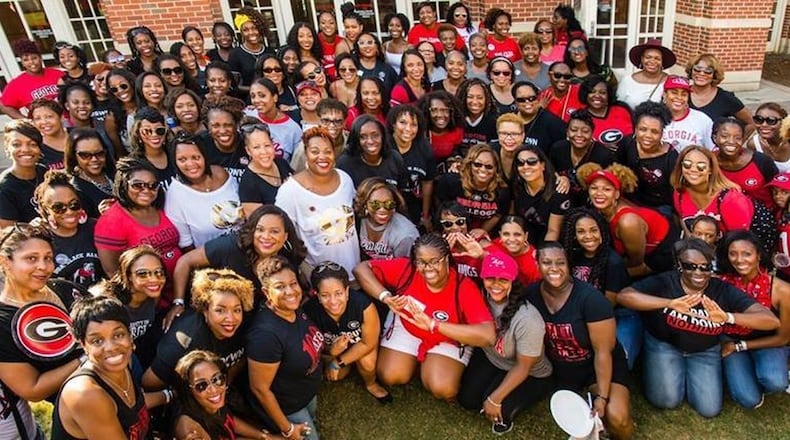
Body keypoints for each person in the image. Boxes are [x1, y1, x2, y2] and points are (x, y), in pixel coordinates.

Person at [618, 238, 780, 418]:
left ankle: (683, 375)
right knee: (666, 400)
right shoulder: (667, 281)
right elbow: (625, 296)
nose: (698, 272)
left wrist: (727, 317)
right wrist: (670, 303)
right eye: (690, 266)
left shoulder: (722, 290)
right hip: (665, 345)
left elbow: (771, 320)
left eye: (705, 267)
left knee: (709, 409)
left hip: (704, 350)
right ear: (679, 265)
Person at [353, 233, 496, 400]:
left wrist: (433, 324)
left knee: (443, 389)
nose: (427, 268)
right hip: (408, 325)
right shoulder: (407, 269)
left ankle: (430, 363)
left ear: (446, 259)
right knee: (389, 375)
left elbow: (488, 335)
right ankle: (416, 361)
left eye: (434, 261)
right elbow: (361, 269)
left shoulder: (463, 286)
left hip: (447, 336)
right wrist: (385, 297)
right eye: (421, 262)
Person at [527, 242, 634, 438]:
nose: (554, 268)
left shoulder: (591, 300)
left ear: (569, 265)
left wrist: (602, 397)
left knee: (617, 418)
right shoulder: (531, 295)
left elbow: (603, 352)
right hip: (561, 370)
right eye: (547, 262)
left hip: (596, 367)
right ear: (537, 265)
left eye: (560, 262)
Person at [0, 223, 84, 439]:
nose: (44, 267)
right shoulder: (2, 321)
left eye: (48, 258)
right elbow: (32, 389)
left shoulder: (63, 289)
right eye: (31, 258)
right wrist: (87, 359)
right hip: (77, 414)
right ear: (4, 261)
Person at [165, 205, 307, 329]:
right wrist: (178, 303)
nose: (266, 236)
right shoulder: (230, 247)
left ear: (285, 236)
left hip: (256, 325)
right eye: (260, 229)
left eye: (274, 231)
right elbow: (185, 261)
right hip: (217, 321)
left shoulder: (288, 257)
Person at [457, 252, 553, 434]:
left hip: (530, 372)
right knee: (467, 400)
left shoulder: (528, 319)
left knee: (499, 411)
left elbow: (523, 367)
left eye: (503, 279)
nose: (496, 285)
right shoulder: (479, 297)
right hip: (493, 357)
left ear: (513, 281)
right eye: (490, 278)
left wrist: (495, 399)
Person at [52, 296, 169, 439]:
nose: (111, 347)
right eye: (97, 341)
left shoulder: (123, 364)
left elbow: (134, 407)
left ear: (130, 335)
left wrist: (170, 395)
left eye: (118, 335)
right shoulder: (85, 393)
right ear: (83, 345)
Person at [246, 256, 323, 440]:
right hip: (288, 405)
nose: (290, 291)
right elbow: (259, 389)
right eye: (280, 287)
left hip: (305, 392)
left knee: (311, 420)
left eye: (293, 283)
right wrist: (288, 429)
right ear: (266, 292)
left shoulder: (292, 308)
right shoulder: (265, 336)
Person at [143, 268, 253, 390]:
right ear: (205, 310)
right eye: (220, 310)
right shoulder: (185, 340)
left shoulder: (246, 323)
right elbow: (148, 383)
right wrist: (178, 394)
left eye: (237, 310)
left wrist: (223, 386)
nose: (231, 319)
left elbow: (242, 358)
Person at [717, 231, 790, 408]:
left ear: (759, 255)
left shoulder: (782, 290)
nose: (739, 260)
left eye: (747, 254)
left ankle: (774, 367)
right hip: (730, 339)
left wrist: (740, 346)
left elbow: (783, 338)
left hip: (767, 342)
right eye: (733, 254)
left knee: (775, 381)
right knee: (748, 399)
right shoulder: (721, 283)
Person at [275, 127, 361, 277]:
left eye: (328, 151)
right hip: (319, 278)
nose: (322, 157)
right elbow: (283, 236)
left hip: (353, 273)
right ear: (306, 153)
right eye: (315, 151)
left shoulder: (345, 179)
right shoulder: (290, 191)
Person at [561, 208, 638, 366]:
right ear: (574, 235)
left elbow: (608, 304)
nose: (588, 236)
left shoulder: (613, 262)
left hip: (616, 315)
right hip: (582, 313)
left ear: (602, 231)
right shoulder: (573, 257)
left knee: (618, 360)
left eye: (593, 230)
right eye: (581, 231)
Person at [304, 262, 391, 402]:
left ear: (347, 291)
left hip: (361, 345)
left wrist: (337, 362)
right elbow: (312, 346)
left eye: (338, 293)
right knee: (336, 376)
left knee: (367, 363)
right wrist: (331, 350)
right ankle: (350, 365)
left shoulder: (363, 305)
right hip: (334, 349)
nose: (333, 301)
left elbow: (368, 342)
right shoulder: (309, 312)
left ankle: (371, 383)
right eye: (325, 295)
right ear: (317, 295)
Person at [579, 163, 677, 278]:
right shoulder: (599, 208)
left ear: (617, 194)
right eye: (594, 188)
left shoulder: (627, 222)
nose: (599, 193)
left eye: (607, 189)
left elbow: (636, 262)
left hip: (659, 256)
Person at [94, 157, 182, 281]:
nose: (146, 190)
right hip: (149, 288)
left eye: (152, 185)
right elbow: (113, 272)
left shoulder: (161, 205)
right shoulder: (110, 221)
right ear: (124, 184)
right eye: (137, 185)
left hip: (180, 281)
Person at [89, 245, 165, 374]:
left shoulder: (152, 295)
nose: (154, 279)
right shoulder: (108, 301)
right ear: (128, 275)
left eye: (159, 272)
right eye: (142, 274)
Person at [165, 132, 243, 249]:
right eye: (182, 159)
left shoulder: (222, 174)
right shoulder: (175, 195)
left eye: (196, 157)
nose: (190, 164)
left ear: (205, 156)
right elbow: (185, 244)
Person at [173, 350, 272, 439]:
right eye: (201, 385)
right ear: (188, 390)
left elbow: (228, 419)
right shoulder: (191, 431)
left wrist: (264, 436)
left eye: (217, 379)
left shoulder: (211, 405)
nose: (213, 389)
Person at [34, 170, 104, 288]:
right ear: (46, 209)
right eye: (58, 207)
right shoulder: (41, 238)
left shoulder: (95, 227)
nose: (69, 212)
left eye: (74, 205)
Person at [672, 145, 755, 235]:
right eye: (687, 164)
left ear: (710, 169)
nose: (693, 169)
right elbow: (682, 219)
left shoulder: (731, 199)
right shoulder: (679, 193)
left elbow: (740, 238)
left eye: (701, 166)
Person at [435, 144, 510, 234]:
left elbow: (498, 215)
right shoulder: (451, 182)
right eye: (477, 164)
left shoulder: (502, 190)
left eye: (489, 166)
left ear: (496, 169)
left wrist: (482, 231)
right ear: (469, 165)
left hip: (483, 232)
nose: (483, 169)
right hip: (452, 229)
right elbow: (442, 209)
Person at [615, 101, 677, 208]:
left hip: (659, 208)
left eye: (654, 132)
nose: (648, 135)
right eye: (643, 129)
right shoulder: (627, 144)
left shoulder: (671, 158)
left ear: (662, 133)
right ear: (635, 129)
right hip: (627, 202)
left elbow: (675, 194)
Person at [548, 110, 613, 205]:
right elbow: (549, 171)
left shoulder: (603, 156)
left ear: (592, 133)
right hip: (562, 201)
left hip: (591, 204)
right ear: (567, 132)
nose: (579, 135)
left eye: (585, 131)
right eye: (574, 130)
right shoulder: (558, 149)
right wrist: (560, 178)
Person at [387, 104, 436, 229]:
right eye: (403, 122)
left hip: (412, 204)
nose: (408, 129)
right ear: (393, 124)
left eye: (414, 124)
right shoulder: (383, 146)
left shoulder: (424, 148)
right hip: (385, 204)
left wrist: (425, 216)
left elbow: (427, 182)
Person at [511, 145, 570, 244]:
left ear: (543, 165)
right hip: (525, 240)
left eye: (532, 162)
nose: (526, 166)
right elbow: (514, 219)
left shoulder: (558, 191)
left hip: (552, 243)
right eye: (520, 163)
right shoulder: (517, 186)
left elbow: (553, 231)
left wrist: (543, 252)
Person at [715, 116, 777, 210]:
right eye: (724, 136)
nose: (731, 141)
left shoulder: (761, 161)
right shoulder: (709, 161)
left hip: (764, 216)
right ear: (715, 137)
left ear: (743, 139)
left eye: (737, 138)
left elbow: (778, 190)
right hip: (724, 215)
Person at [353, 177, 418, 260]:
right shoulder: (356, 221)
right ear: (365, 204)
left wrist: (367, 266)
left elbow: (403, 266)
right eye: (375, 204)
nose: (383, 209)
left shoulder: (405, 236)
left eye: (389, 204)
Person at [687, 53, 754, 131]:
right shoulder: (681, 93)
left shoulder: (726, 98)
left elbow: (751, 123)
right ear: (691, 71)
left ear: (714, 75)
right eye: (697, 69)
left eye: (708, 71)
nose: (701, 73)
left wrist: (736, 138)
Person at [238, 122, 293, 217]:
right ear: (248, 151)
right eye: (256, 147)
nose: (263, 152)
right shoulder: (248, 183)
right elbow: (256, 221)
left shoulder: (281, 163)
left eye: (267, 145)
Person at [0, 120, 47, 227]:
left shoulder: (44, 172)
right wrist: (30, 227)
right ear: (7, 149)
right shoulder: (4, 188)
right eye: (16, 144)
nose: (25, 149)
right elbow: (7, 232)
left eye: (32, 144)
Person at [0, 39, 61, 119]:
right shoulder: (17, 84)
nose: (31, 62)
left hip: (66, 121)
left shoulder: (57, 74)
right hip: (43, 124)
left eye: (34, 58)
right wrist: (26, 121)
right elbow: (4, 106)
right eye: (26, 60)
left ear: (40, 58)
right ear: (22, 63)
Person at [337, 115, 404, 187]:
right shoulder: (345, 163)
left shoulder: (394, 158)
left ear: (382, 136)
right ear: (356, 139)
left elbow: (403, 191)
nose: (370, 141)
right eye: (363, 137)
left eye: (375, 135)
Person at [246, 78, 302, 162]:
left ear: (275, 97)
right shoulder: (247, 116)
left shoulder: (293, 129)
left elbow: (296, 163)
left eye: (262, 96)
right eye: (253, 96)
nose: (256, 100)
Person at [63, 128, 114, 218]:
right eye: (85, 155)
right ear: (73, 156)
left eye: (99, 153)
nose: (94, 159)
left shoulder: (116, 173)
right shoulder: (76, 191)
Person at [199, 94, 249, 180]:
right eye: (215, 126)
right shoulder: (200, 145)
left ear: (236, 124)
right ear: (207, 126)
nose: (222, 131)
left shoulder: (249, 143)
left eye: (228, 125)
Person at [617, 39, 676, 110]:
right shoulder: (627, 81)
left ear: (662, 61)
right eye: (648, 57)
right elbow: (618, 107)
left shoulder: (671, 82)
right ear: (642, 59)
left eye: (657, 58)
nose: (652, 61)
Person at [662, 75, 714, 151]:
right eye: (674, 93)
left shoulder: (702, 120)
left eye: (684, 94)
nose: (679, 97)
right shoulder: (654, 118)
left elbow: (713, 151)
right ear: (664, 94)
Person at [580, 75, 632, 151]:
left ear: (608, 95)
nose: (597, 95)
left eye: (602, 92)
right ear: (585, 94)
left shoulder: (622, 110)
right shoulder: (580, 117)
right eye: (592, 92)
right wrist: (600, 148)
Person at [129, 106, 176, 190]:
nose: (154, 135)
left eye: (159, 130)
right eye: (147, 131)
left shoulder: (176, 153)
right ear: (138, 134)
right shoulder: (134, 165)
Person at [513, 81, 567, 153]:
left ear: (538, 98)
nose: (527, 102)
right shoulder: (509, 120)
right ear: (515, 102)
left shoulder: (554, 123)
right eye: (521, 100)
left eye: (532, 98)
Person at [229, 7, 271, 97]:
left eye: (254, 28)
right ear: (241, 33)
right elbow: (235, 86)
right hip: (248, 99)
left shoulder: (269, 51)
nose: (251, 32)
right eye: (246, 30)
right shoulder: (235, 54)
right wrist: (258, 90)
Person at [419, 90, 465, 165]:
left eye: (445, 110)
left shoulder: (457, 131)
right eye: (434, 110)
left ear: (451, 112)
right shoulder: (421, 132)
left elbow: (457, 153)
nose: (439, 115)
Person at [748, 103, 790, 172]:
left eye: (771, 120)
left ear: (783, 122)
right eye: (759, 120)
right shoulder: (753, 144)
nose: (764, 125)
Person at [458, 78, 499, 149]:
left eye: (480, 98)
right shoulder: (456, 120)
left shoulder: (493, 122)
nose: (475, 102)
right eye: (470, 97)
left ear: (487, 99)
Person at [30, 99, 68, 169]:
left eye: (49, 116)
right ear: (33, 123)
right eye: (38, 118)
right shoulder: (37, 149)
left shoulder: (78, 135)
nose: (44, 122)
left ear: (61, 118)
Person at [317, 11, 339, 78]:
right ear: (319, 26)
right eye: (323, 23)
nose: (327, 26)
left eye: (331, 23)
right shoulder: (314, 41)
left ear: (336, 25)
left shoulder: (342, 42)